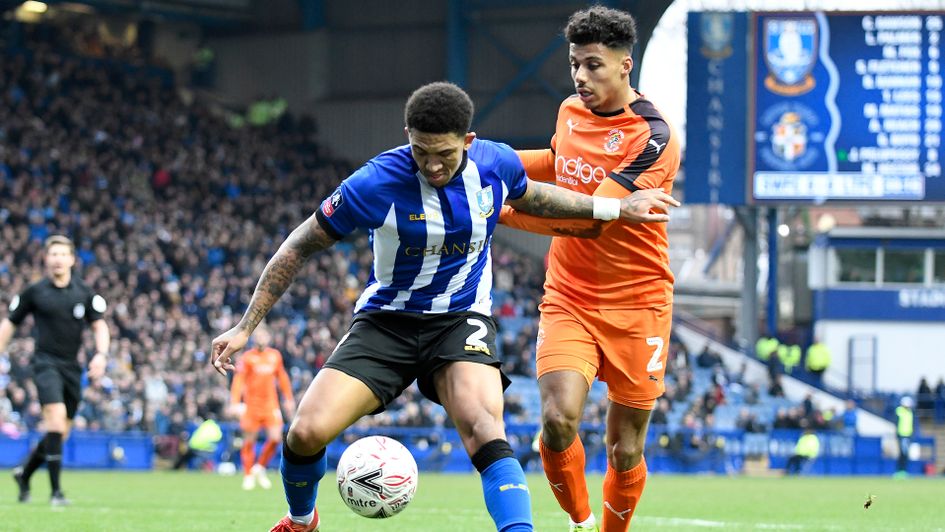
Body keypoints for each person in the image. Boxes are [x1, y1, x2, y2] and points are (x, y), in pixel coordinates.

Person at [209, 82, 677, 532]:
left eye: (445, 154)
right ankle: (301, 520)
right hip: (385, 324)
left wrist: (615, 209)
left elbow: (536, 196)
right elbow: (298, 246)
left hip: (460, 323)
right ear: (407, 139)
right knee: (305, 433)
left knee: (485, 430)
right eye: (421, 152)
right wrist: (247, 327)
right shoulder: (373, 183)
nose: (432, 166)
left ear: (468, 142)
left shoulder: (494, 165)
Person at [498, 7, 680, 531]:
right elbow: (558, 163)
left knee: (625, 448)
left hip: (640, 303)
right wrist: (489, 159)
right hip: (569, 296)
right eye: (575, 64)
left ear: (626, 65)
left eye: (594, 65)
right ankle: (579, 522)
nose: (581, 76)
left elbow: (592, 220)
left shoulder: (653, 137)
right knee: (557, 421)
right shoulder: (570, 110)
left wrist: (500, 211)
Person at [0, 235, 110, 505]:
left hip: (73, 368)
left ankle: (24, 474)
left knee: (60, 432)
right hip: (45, 364)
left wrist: (101, 355)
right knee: (55, 420)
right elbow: (10, 323)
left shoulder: (84, 293)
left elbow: (99, 325)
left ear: (72, 259)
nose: (58, 259)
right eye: (53, 254)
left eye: (63, 254)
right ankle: (56, 493)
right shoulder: (34, 292)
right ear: (46, 259)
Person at [229, 324, 295, 490]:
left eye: (263, 336)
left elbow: (282, 377)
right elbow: (239, 380)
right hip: (252, 406)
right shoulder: (247, 357)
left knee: (275, 438)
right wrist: (235, 402)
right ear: (254, 339)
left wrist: (288, 398)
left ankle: (259, 467)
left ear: (268, 338)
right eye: (258, 336)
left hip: (270, 404)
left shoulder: (275, 356)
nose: (261, 339)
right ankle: (248, 474)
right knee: (249, 441)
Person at [895, 396, 915, 477]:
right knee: (902, 454)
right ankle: (900, 471)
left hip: (908, 435)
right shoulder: (899, 410)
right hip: (902, 435)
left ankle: (903, 471)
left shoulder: (910, 412)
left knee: (905, 454)